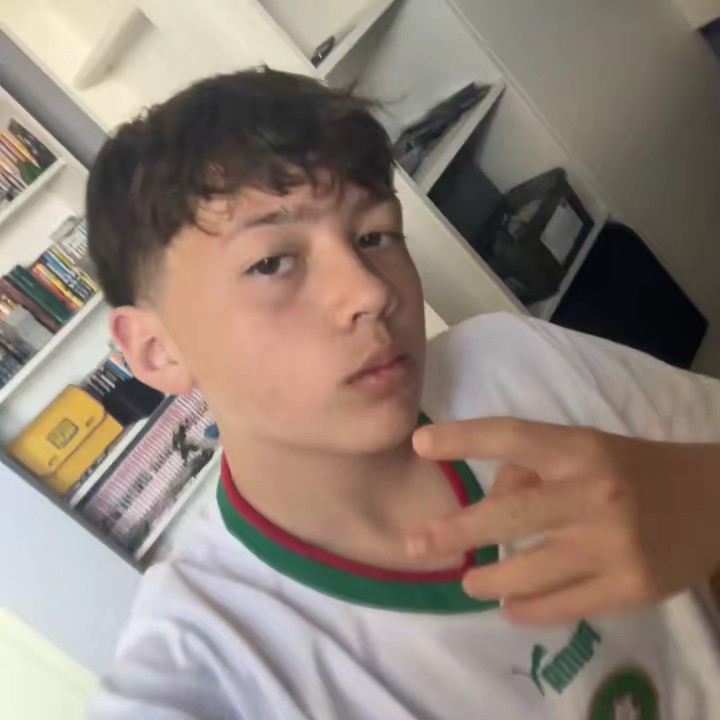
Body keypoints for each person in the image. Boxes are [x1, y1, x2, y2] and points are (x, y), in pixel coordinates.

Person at [86, 68, 720, 719]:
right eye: (272, 262)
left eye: (374, 236)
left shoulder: (516, 357)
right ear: (157, 350)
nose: (371, 290)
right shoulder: (210, 659)